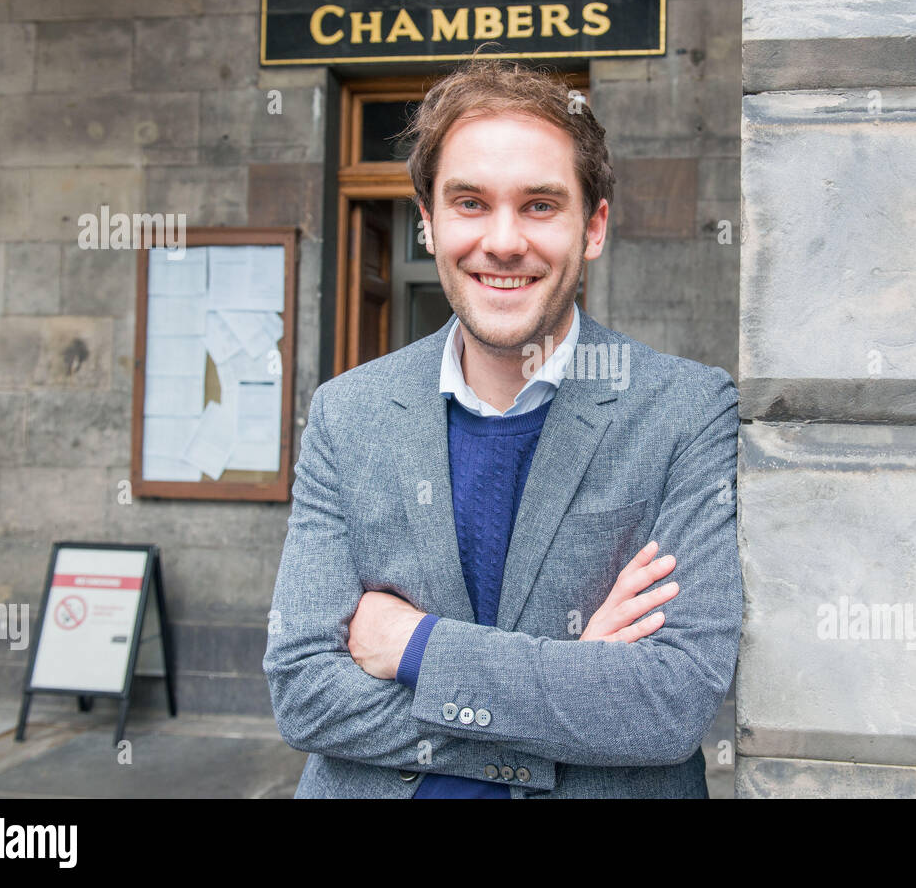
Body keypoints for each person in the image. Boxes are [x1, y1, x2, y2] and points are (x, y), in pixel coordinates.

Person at [263, 56, 741, 798]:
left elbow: (668, 703)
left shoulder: (686, 408)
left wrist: (413, 643)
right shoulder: (346, 414)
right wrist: (570, 683)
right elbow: (302, 691)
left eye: (541, 205)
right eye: (470, 203)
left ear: (595, 227)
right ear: (428, 223)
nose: (505, 240)